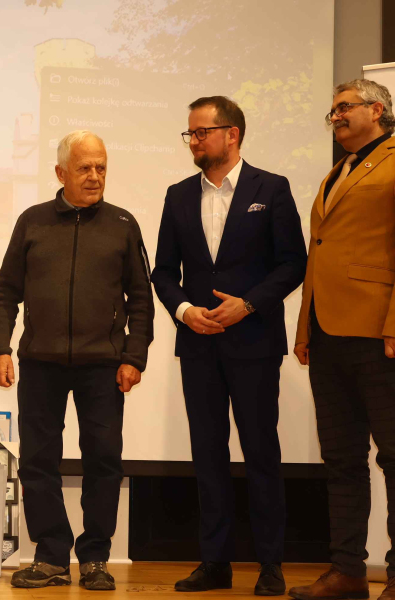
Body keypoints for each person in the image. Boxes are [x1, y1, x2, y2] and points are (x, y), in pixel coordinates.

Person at [152, 97, 307, 595]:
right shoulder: (178, 195)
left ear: (232, 134)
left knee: (261, 452)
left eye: (202, 132)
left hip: (255, 343)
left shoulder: (271, 188)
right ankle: (214, 563)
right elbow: (163, 272)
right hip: (199, 344)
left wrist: (250, 304)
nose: (193, 141)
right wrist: (184, 311)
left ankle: (270, 565)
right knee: (208, 455)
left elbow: (293, 263)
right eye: (190, 134)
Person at [0, 130, 154, 590]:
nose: (95, 176)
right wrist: (0, 347)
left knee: (104, 459)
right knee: (37, 461)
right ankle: (51, 556)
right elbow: (6, 292)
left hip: (104, 365)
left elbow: (141, 298)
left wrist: (134, 356)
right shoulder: (32, 221)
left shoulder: (122, 224)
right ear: (61, 172)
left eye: (101, 167)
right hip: (39, 362)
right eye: (84, 168)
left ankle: (96, 556)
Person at [290, 79, 395, 600]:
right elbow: (321, 250)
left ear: (377, 109)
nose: (334, 117)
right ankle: (348, 572)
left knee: (394, 457)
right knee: (342, 460)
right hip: (329, 334)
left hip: (379, 334)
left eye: (343, 107)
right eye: (331, 111)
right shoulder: (339, 171)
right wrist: (305, 327)